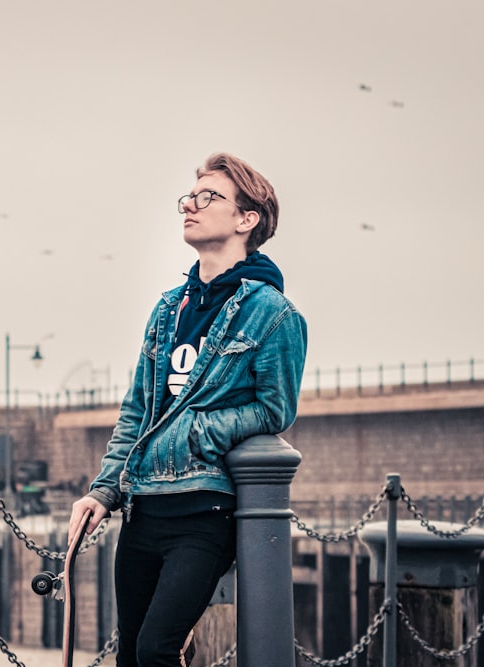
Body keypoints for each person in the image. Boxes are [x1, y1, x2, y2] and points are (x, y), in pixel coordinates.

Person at [68, 152, 307, 666]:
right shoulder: (167, 308)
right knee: (131, 654)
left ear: (247, 220)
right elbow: (137, 409)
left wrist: (201, 429)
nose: (191, 206)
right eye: (189, 197)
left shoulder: (274, 313)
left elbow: (275, 409)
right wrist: (103, 491)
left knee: (157, 649)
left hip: (204, 511)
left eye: (209, 197)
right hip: (143, 508)